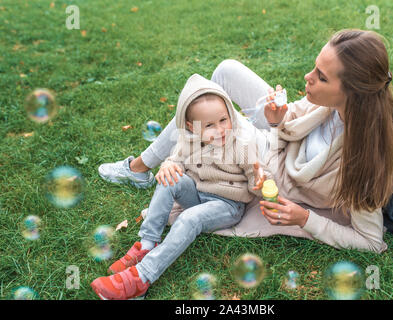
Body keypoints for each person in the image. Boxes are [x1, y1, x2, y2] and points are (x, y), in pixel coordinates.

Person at [98, 29, 393, 255]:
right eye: (315, 67)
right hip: (272, 139)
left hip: (264, 169)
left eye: (321, 77)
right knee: (225, 72)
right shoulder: (330, 104)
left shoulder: (366, 159)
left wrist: (305, 219)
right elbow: (290, 124)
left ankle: (138, 169)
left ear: (353, 92)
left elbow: (369, 241)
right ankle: (140, 170)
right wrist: (276, 116)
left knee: (204, 116)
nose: (307, 77)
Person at [91, 74, 271, 300]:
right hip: (198, 195)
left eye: (224, 120)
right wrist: (167, 166)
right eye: (209, 125)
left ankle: (142, 278)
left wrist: (259, 180)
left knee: (189, 219)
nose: (220, 130)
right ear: (192, 127)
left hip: (227, 205)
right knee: (169, 178)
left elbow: (257, 182)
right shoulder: (188, 140)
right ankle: (147, 243)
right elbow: (175, 160)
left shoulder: (241, 145)